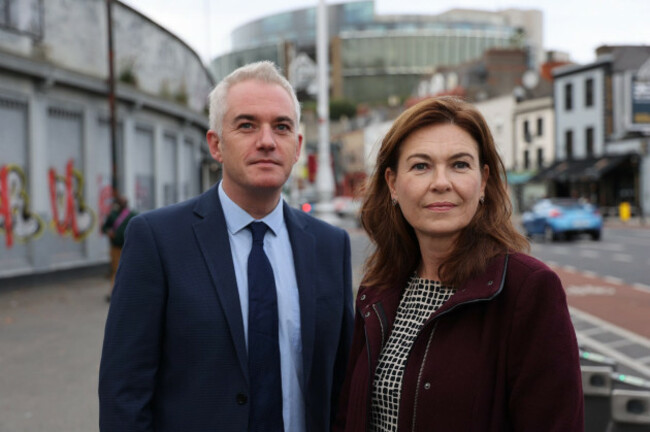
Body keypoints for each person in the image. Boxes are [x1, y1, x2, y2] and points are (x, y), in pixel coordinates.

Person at [99, 61, 354, 432]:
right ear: (216, 144)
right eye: (247, 125)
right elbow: (125, 391)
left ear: (297, 146)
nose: (266, 140)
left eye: (281, 127)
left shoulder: (331, 246)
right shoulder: (157, 240)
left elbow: (341, 384)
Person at [334, 96, 584, 431]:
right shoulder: (377, 288)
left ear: (482, 182)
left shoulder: (528, 290)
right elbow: (349, 414)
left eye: (459, 165)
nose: (441, 182)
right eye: (421, 166)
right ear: (393, 184)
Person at [100, 193, 136, 301]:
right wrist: (108, 232)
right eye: (120, 202)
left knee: (129, 270)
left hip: (130, 248)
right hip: (116, 247)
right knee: (116, 270)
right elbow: (104, 228)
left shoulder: (133, 215)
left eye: (123, 202)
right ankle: (113, 292)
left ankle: (129, 291)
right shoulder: (113, 215)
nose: (121, 204)